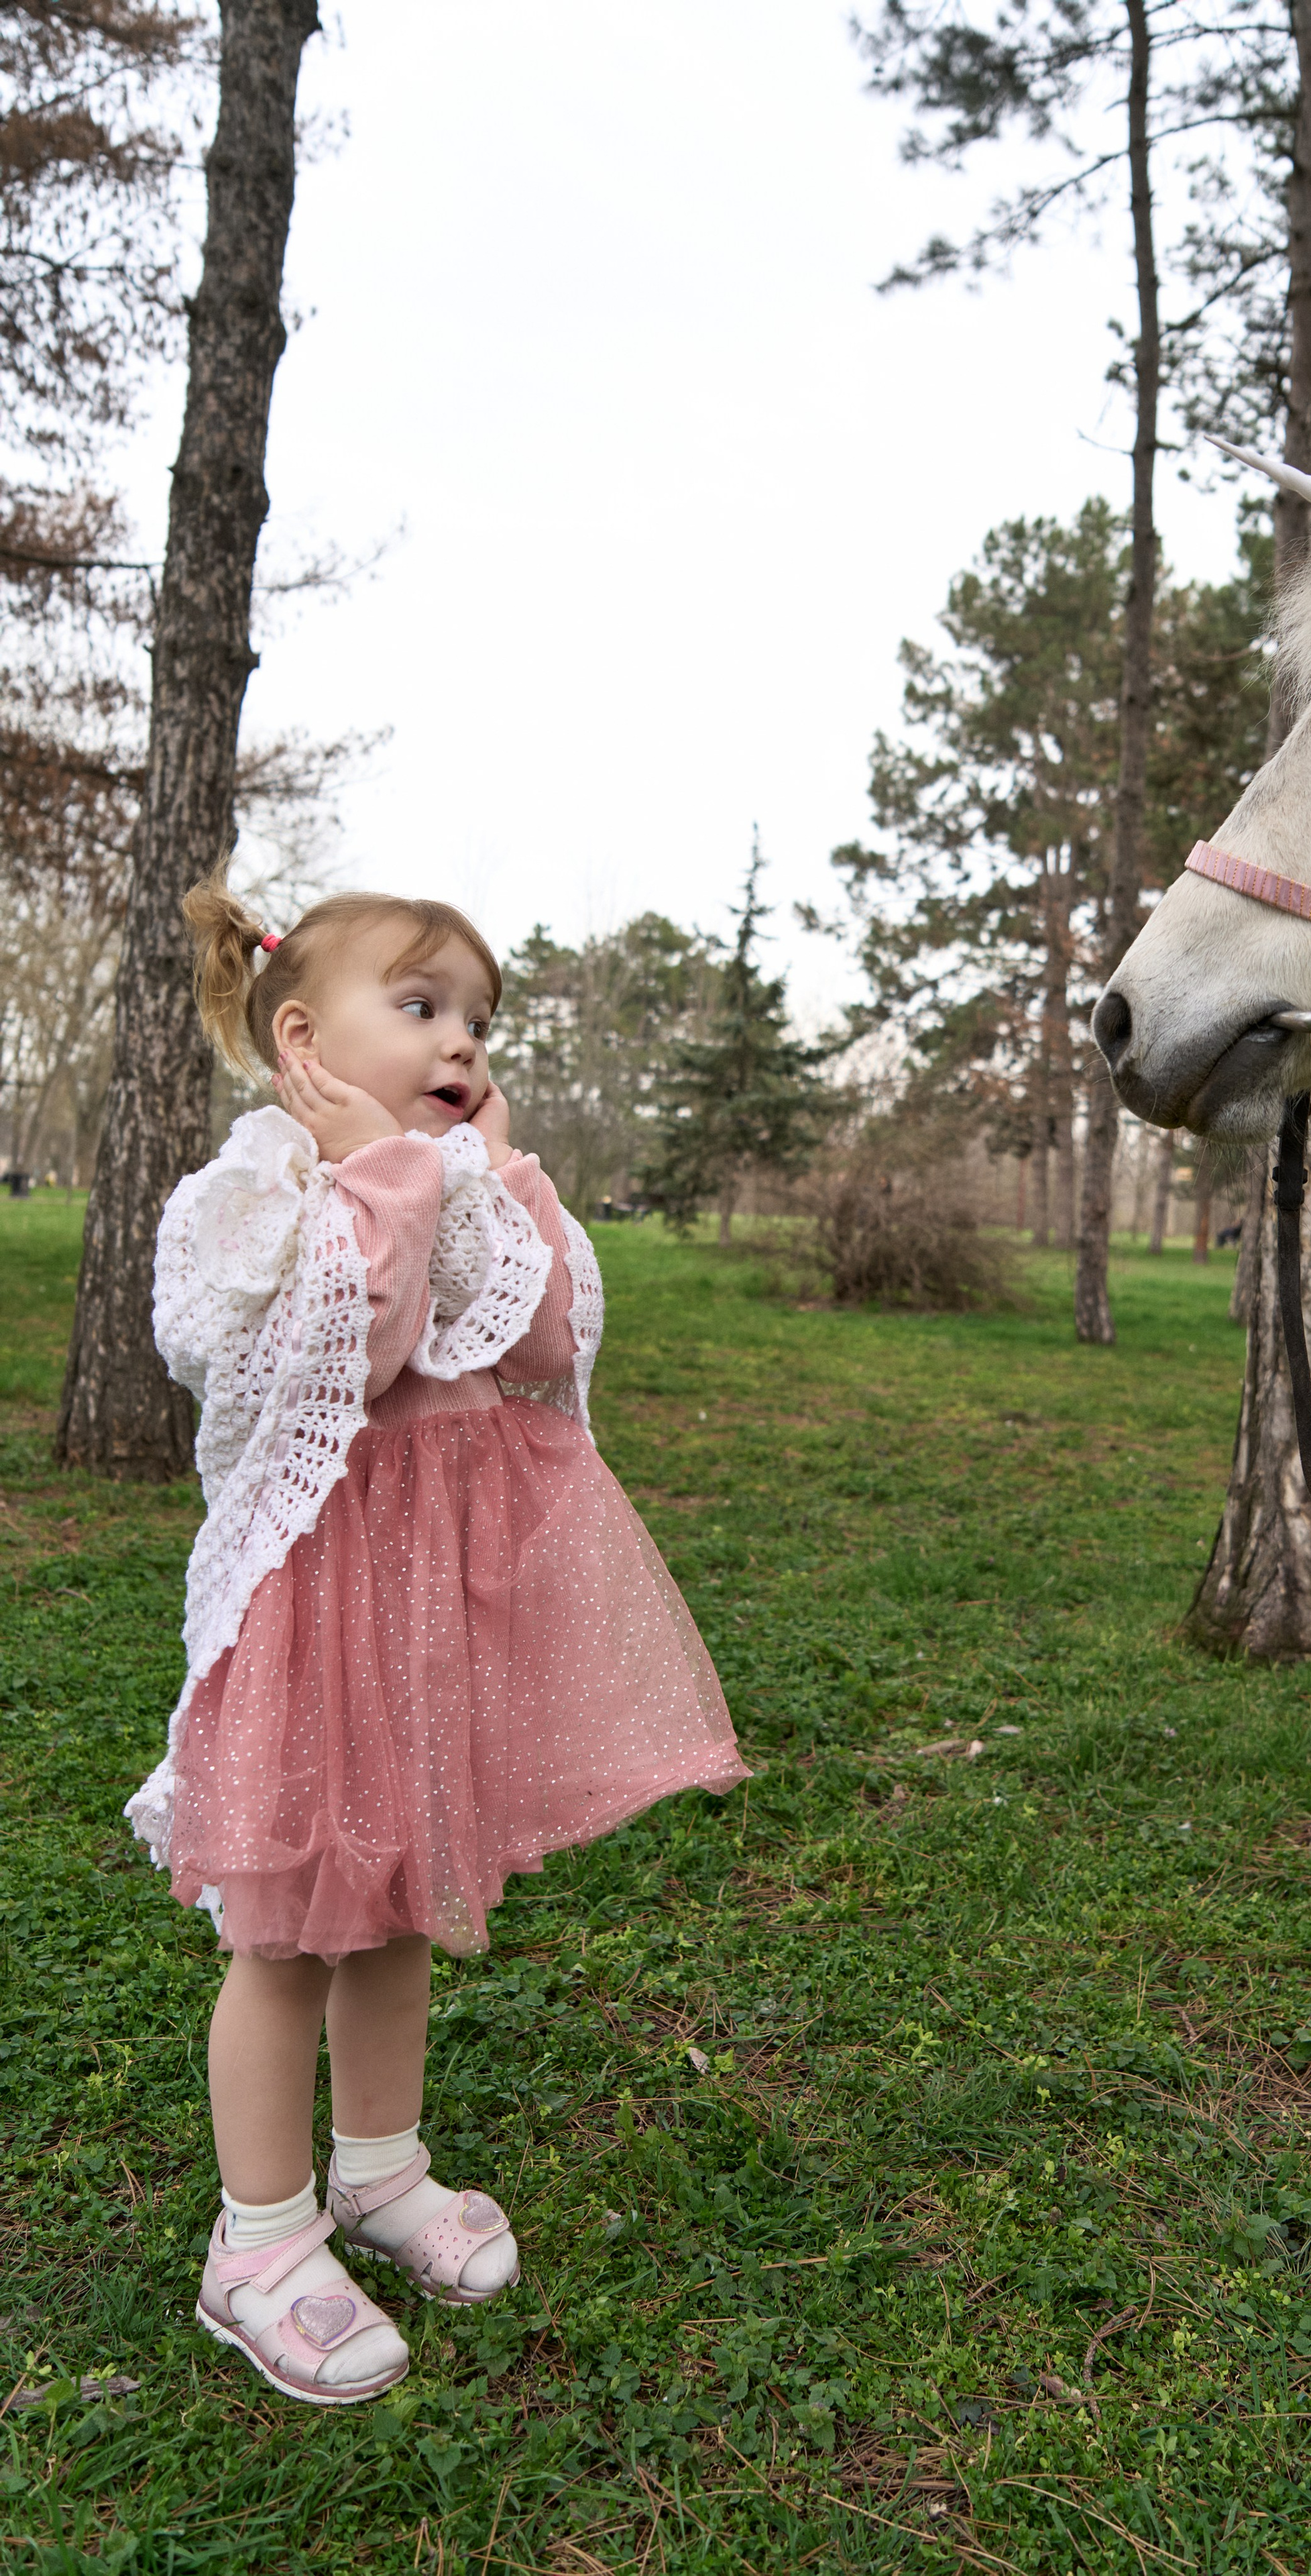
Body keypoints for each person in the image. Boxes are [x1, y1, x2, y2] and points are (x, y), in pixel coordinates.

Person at [128, 870, 748, 2406]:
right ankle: (256, 2242)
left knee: (400, 1903)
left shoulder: (462, 1185)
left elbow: (544, 1339)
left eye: (475, 1017)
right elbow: (345, 1347)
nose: (462, 1040)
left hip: (423, 1621)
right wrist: (391, 1173)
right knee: (286, 1935)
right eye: (420, 1007)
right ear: (303, 1041)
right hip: (314, 1617)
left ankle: (378, 2168)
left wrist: (503, 1174)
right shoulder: (263, 1198)